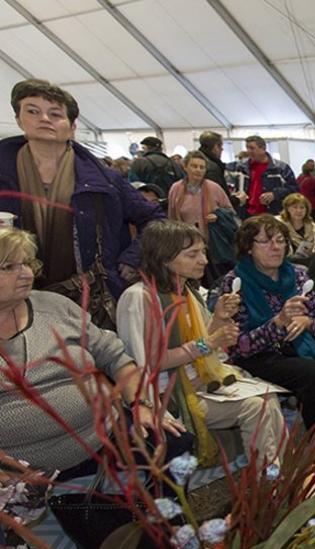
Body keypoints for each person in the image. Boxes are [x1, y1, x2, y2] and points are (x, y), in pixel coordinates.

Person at [0, 227, 188, 476]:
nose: (25, 274)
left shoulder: (56, 306)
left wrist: (140, 404)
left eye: (26, 264)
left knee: (176, 442)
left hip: (105, 431)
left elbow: (116, 357)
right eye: (9, 267)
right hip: (24, 464)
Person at [116, 221, 286, 465]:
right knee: (256, 407)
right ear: (164, 258)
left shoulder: (188, 292)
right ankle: (268, 483)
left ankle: (273, 477)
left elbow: (205, 340)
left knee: (268, 397)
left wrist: (219, 318)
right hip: (166, 394)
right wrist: (209, 342)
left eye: (203, 252)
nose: (204, 260)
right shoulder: (139, 298)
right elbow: (152, 361)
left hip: (198, 381)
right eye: (192, 254)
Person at [0, 79, 161, 303]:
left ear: (72, 126)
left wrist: (132, 257)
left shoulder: (105, 181)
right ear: (19, 119)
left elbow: (155, 219)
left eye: (55, 114)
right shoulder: (4, 175)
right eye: (33, 111)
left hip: (85, 300)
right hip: (10, 296)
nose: (44, 119)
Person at [210, 215, 315, 430]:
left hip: (298, 345)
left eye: (280, 240)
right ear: (248, 247)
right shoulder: (235, 282)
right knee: (314, 374)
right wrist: (278, 322)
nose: (275, 247)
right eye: (265, 242)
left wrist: (306, 322)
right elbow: (241, 346)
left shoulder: (298, 275)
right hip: (258, 355)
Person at [168, 151, 233, 240]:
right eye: (194, 166)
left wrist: (218, 216)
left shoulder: (214, 188)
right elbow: (172, 216)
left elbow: (230, 211)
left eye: (202, 167)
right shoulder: (176, 188)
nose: (198, 170)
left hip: (211, 240)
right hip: (185, 239)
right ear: (185, 167)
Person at [230, 135, 298, 218]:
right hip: (247, 214)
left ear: (263, 148)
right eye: (247, 148)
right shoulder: (241, 167)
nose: (248, 151)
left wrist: (275, 194)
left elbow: (294, 188)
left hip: (272, 214)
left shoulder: (281, 168)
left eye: (252, 148)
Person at [279, 192, 315, 261]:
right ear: (287, 209)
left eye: (302, 208)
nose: (299, 211)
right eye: (295, 207)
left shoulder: (313, 226)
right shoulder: (280, 225)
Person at [296, 158, 315, 228]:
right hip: (314, 205)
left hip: (303, 204)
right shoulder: (313, 180)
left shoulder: (299, 179)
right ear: (311, 171)